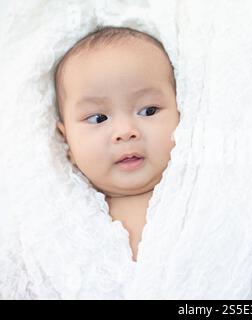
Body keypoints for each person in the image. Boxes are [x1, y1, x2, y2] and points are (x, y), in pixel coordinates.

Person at [54, 26, 180, 262]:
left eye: (148, 110)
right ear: (66, 140)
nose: (125, 132)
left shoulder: (197, 198)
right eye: (98, 118)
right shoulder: (63, 223)